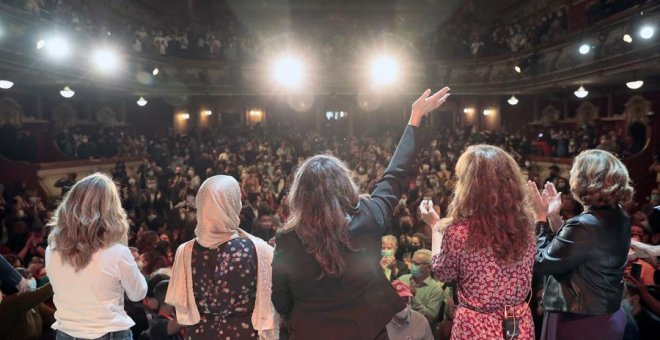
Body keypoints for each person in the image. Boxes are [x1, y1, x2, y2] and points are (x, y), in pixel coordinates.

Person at [271, 87, 451, 340]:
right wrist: (414, 118)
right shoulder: (368, 216)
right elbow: (395, 175)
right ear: (344, 184)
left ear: (300, 195)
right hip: (366, 331)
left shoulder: (287, 237)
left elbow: (281, 301)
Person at [427, 144, 536, 339]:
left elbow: (442, 272)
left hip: (476, 327)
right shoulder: (525, 225)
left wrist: (436, 229)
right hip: (518, 325)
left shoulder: (460, 232)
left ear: (470, 186)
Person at [528, 149, 633, 340]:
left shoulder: (583, 225)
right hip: (606, 317)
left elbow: (541, 262)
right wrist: (553, 218)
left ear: (584, 181)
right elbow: (582, 253)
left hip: (579, 323)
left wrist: (540, 219)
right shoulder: (620, 216)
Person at [166, 175, 279, 340]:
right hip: (242, 334)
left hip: (200, 334)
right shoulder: (258, 250)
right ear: (232, 204)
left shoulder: (184, 251)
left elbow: (182, 308)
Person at [45, 173, 148, 339]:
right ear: (111, 208)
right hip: (108, 333)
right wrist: (134, 265)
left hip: (66, 334)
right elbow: (138, 294)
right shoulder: (117, 252)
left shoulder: (52, 250)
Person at [397, 249, 444, 328]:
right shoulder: (402, 279)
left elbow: (431, 318)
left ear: (428, 267)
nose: (412, 266)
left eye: (416, 264)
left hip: (419, 330)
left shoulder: (435, 289)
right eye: (412, 262)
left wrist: (413, 298)